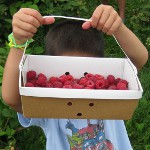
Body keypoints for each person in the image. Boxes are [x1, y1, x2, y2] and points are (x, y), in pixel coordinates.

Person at [2, 4, 148, 150]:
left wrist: (118, 29)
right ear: (50, 68)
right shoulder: (49, 105)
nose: (76, 84)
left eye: (85, 75)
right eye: (67, 75)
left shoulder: (110, 98)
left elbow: (139, 59)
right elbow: (12, 99)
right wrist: (18, 42)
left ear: (101, 68)